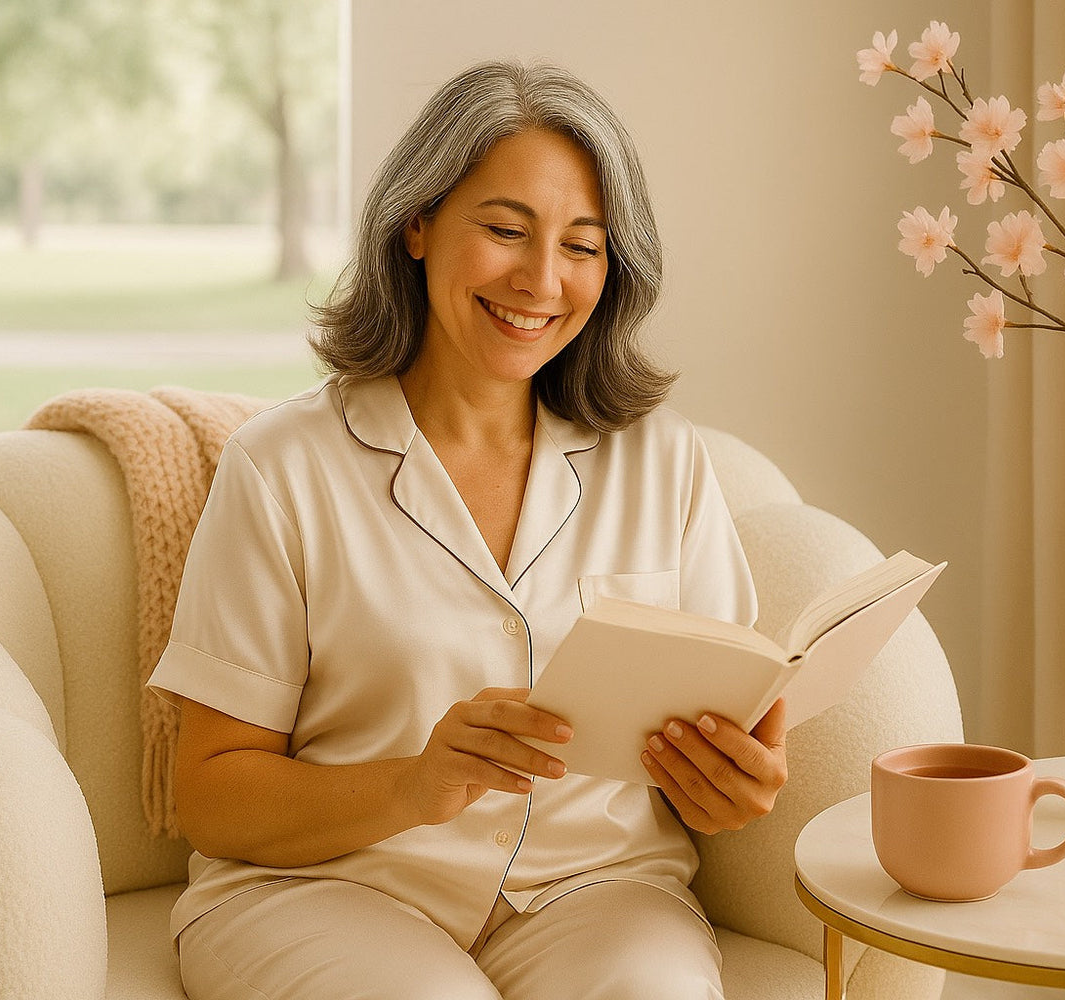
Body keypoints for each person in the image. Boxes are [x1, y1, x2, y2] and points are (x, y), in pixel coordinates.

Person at [145, 59, 788, 1000]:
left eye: (582, 245)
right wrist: (411, 787)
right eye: (504, 230)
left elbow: (744, 719)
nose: (541, 279)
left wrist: (742, 784)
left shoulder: (661, 459)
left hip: (594, 895)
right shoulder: (281, 467)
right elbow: (209, 790)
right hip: (326, 888)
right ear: (416, 223)